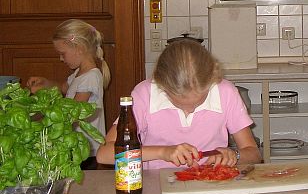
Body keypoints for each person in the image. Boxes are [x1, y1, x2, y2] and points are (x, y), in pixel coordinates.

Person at [96, 39, 261, 169]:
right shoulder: (145, 94)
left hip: (211, 184)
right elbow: (104, 154)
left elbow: (253, 154)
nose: (190, 109)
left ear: (212, 80)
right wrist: (162, 152)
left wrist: (234, 155)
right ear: (161, 86)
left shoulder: (225, 91)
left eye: (199, 100)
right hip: (156, 188)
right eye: (179, 102)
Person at [26, 19, 111, 163]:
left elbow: (73, 110)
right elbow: (63, 87)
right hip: (74, 145)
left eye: (62, 53)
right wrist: (45, 83)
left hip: (86, 149)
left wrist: (40, 117)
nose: (60, 59)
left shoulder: (91, 77)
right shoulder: (80, 73)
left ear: (79, 48)